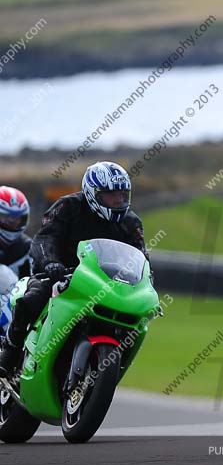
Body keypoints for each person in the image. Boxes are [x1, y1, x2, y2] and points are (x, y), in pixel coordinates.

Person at [0, 162, 149, 378]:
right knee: (32, 297)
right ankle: (10, 352)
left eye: (122, 195)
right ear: (92, 194)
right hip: (59, 274)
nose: (118, 200)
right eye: (111, 195)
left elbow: (141, 257)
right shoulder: (68, 207)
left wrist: (144, 282)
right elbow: (45, 237)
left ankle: (109, 368)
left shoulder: (131, 223)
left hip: (104, 284)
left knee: (134, 319)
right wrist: (50, 263)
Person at [0, 186, 32, 278]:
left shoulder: (26, 248)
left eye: (17, 218)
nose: (12, 222)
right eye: (5, 217)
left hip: (14, 291)